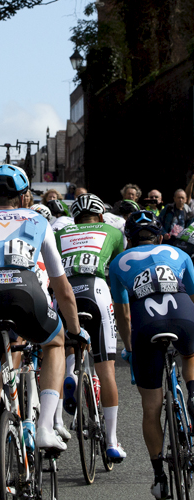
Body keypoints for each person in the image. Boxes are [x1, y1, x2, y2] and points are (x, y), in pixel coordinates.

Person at [0, 165, 84, 500]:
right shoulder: (37, 221)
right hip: (25, 292)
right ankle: (45, 425)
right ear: (25, 195)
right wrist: (75, 331)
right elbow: (62, 287)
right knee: (55, 342)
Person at [110, 210, 194, 499]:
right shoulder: (177, 252)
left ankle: (159, 477)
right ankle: (193, 393)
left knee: (151, 407)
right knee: (191, 355)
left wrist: (130, 347)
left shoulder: (119, 261)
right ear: (159, 236)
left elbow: (121, 312)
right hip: (183, 316)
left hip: (146, 325)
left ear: (129, 240)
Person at [53, 193, 126, 458]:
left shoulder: (61, 232)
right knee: (105, 368)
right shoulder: (112, 230)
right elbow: (118, 267)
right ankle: (112, 441)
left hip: (66, 293)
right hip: (97, 290)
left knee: (66, 347)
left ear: (75, 218)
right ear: (100, 217)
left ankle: (71, 374)